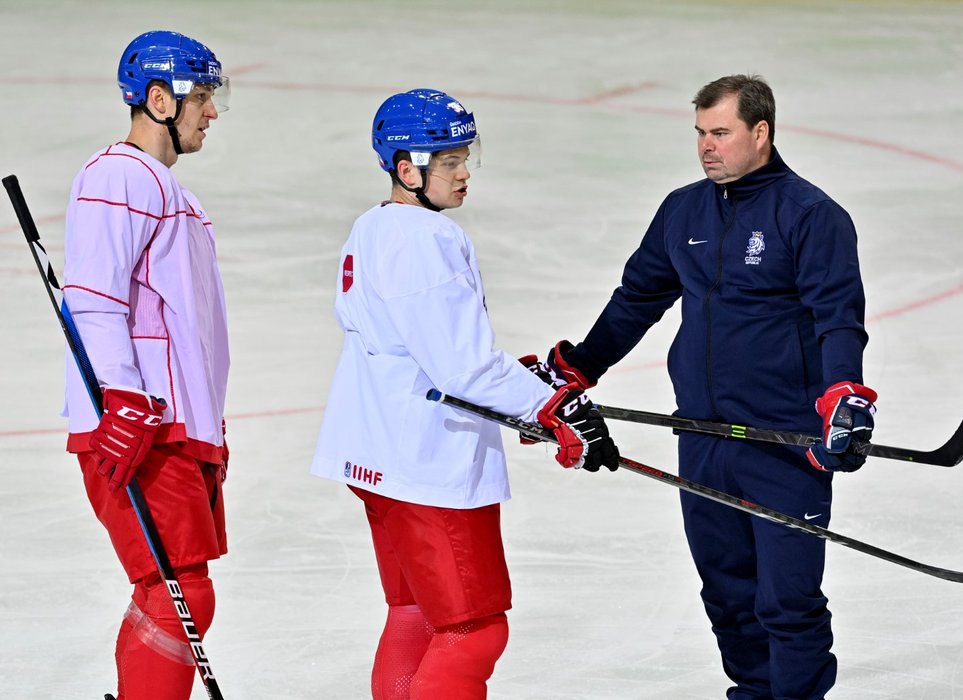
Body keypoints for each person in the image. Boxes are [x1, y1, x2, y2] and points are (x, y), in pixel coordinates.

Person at [544, 74, 877, 700]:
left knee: (788, 599)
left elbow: (838, 317)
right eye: (700, 133)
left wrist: (844, 394)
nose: (707, 147)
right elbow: (637, 298)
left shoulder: (811, 216)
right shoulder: (683, 209)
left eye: (720, 133)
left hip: (783, 441)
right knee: (727, 592)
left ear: (761, 132)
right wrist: (582, 366)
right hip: (700, 433)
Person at [310, 88, 619, 700]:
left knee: (416, 614)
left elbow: (421, 347)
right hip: (428, 466)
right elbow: (463, 369)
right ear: (408, 169)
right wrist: (546, 406)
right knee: (473, 629)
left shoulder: (372, 227)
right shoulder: (425, 239)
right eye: (449, 161)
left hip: (379, 457)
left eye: (464, 157)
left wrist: (528, 388)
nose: (463, 171)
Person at [62, 30, 232, 700]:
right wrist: (123, 398)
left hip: (171, 425)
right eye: (203, 98)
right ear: (160, 99)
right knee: (176, 590)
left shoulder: (162, 188)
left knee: (177, 589)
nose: (211, 113)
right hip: (142, 423)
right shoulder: (119, 176)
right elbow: (93, 296)